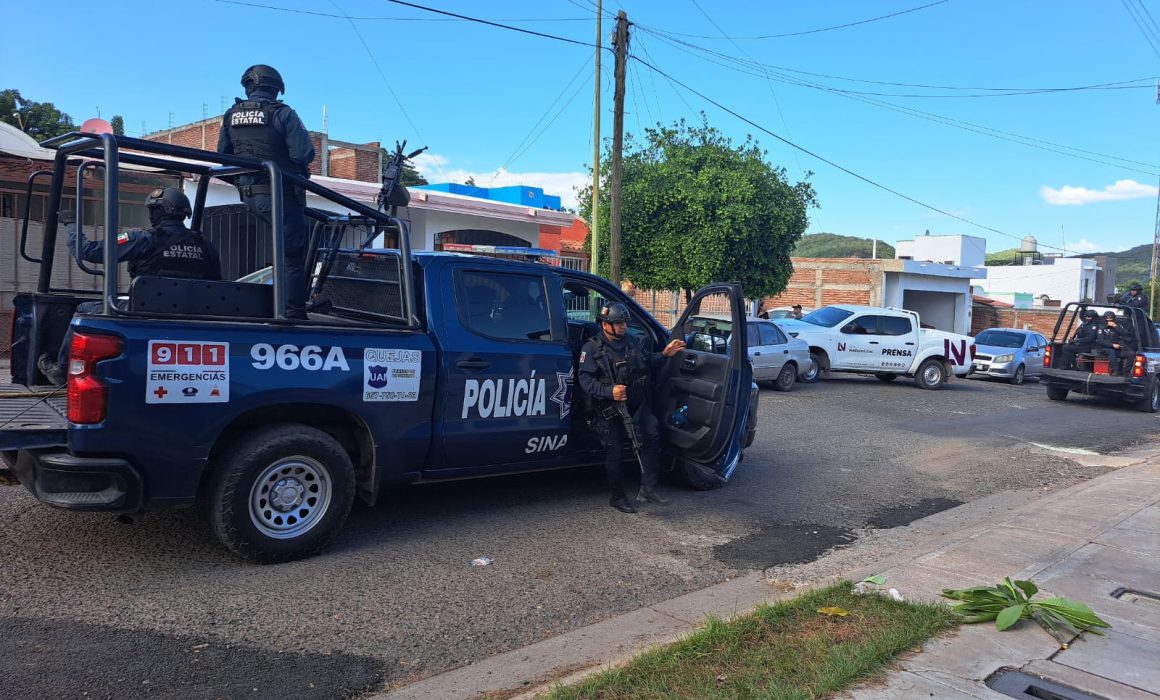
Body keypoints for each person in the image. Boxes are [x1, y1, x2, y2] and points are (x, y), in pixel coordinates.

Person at [37, 187, 222, 385]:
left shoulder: (142, 238)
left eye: (153, 209)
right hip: (190, 315)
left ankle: (62, 370)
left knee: (85, 309)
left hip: (145, 312)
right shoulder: (206, 245)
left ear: (159, 212)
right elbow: (215, 284)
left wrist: (72, 225)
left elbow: (88, 251)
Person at [217, 64, 315, 319]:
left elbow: (222, 156)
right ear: (275, 88)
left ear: (249, 86)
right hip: (281, 196)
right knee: (291, 257)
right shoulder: (283, 114)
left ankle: (276, 307)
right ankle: (292, 315)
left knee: (280, 250)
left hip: (249, 195)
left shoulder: (231, 115)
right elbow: (303, 153)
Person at [578, 302, 686, 513]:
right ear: (604, 324)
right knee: (615, 450)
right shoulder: (591, 348)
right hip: (608, 409)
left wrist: (664, 354)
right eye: (617, 323)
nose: (623, 327)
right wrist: (610, 392)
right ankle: (617, 497)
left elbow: (646, 362)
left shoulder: (632, 342)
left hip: (637, 405)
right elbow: (585, 380)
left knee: (651, 436)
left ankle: (648, 489)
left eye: (624, 323)